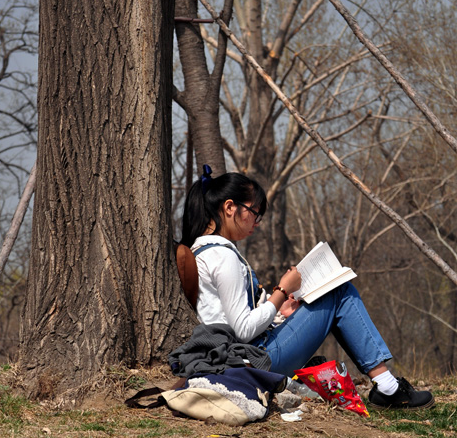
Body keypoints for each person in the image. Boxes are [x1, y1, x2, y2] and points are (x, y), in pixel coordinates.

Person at [180, 167, 434, 411]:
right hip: (255, 360)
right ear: (229, 207)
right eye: (254, 212)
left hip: (241, 358)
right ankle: (388, 388)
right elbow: (243, 330)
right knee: (339, 292)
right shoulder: (223, 257)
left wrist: (281, 310)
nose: (256, 222)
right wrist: (281, 290)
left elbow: (230, 319)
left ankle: (385, 386)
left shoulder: (203, 251)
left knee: (334, 293)